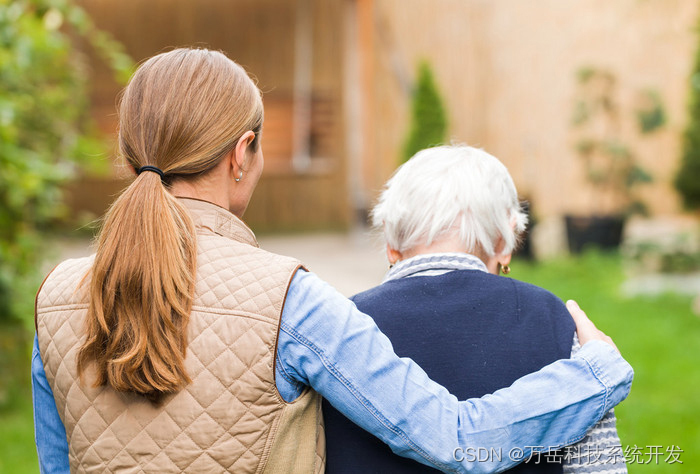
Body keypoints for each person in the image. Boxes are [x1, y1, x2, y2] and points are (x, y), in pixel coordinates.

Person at [32, 48, 632, 473]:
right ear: (243, 154)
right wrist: (596, 373)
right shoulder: (287, 299)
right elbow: (455, 440)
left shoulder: (54, 297)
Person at [323, 145, 628, 473]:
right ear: (504, 242)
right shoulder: (555, 320)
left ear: (390, 243)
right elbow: (599, 464)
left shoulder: (340, 327)